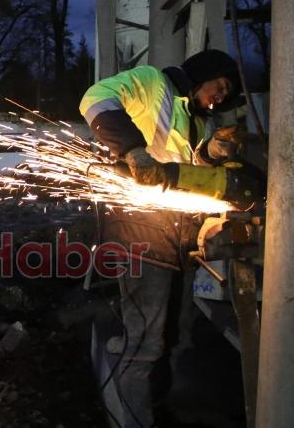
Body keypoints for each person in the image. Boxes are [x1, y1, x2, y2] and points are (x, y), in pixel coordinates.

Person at [79, 49, 244, 427]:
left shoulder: (200, 120)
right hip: (144, 235)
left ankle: (156, 410)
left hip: (181, 241)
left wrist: (211, 152)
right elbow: (95, 98)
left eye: (226, 94)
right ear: (203, 74)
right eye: (220, 86)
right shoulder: (154, 83)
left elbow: (190, 171)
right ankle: (135, 421)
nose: (220, 96)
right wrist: (133, 150)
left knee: (177, 338)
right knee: (145, 345)